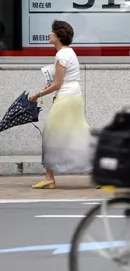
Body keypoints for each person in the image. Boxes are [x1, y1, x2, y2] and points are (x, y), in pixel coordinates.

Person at [29, 20, 91, 189]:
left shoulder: (61, 55)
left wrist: (37, 94)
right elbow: (60, 81)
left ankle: (49, 178)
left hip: (66, 98)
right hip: (73, 96)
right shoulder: (69, 52)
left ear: (58, 36)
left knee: (51, 133)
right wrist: (51, 87)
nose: (49, 34)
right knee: (79, 135)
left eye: (52, 32)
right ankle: (102, 174)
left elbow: (58, 84)